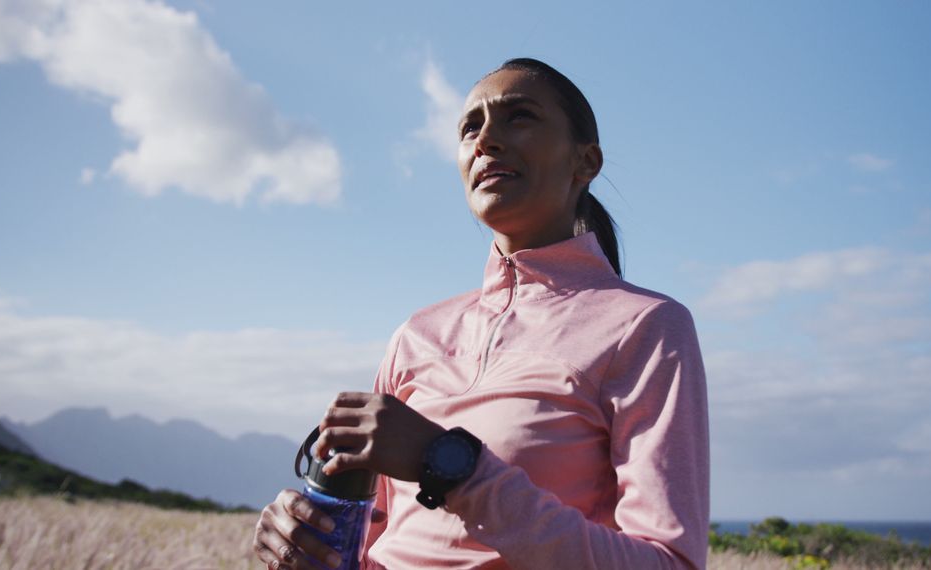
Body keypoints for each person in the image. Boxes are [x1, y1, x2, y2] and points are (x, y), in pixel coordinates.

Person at [252, 57, 709, 570]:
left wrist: (452, 467)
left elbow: (670, 562)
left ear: (586, 162)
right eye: (471, 127)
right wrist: (302, 544)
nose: (485, 139)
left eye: (519, 117)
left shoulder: (645, 326)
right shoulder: (416, 335)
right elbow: (369, 546)